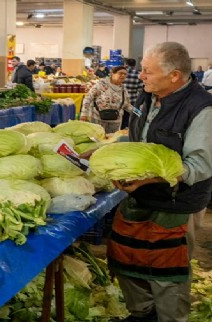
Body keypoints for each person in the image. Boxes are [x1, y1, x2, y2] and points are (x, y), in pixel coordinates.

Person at [108, 42, 212, 322]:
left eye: (147, 71)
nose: (140, 76)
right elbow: (138, 139)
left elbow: (199, 166)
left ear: (174, 76)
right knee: (127, 260)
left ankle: (170, 318)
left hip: (176, 202)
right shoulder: (147, 95)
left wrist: (149, 178)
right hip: (141, 196)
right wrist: (105, 150)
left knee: (168, 271)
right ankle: (142, 314)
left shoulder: (201, 109)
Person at [80, 66, 133, 134]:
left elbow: (127, 105)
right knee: (98, 140)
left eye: (125, 74)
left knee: (111, 141)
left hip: (115, 122)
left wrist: (139, 113)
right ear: (112, 74)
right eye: (120, 73)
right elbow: (88, 98)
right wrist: (84, 114)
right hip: (98, 120)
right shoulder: (101, 84)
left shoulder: (123, 89)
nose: (123, 75)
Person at [122, 58, 143, 129]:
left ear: (126, 64)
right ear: (134, 65)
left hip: (121, 100)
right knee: (130, 118)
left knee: (121, 118)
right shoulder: (138, 74)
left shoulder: (121, 73)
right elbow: (140, 90)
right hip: (132, 100)